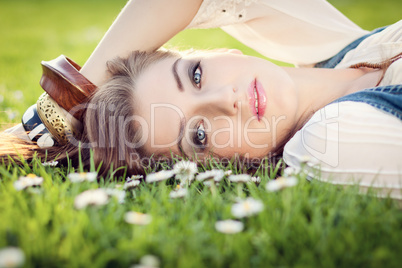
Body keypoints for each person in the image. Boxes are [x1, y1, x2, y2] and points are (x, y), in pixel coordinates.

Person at [2, 0, 401, 199]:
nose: (224, 101)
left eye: (195, 75)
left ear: (221, 53)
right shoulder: (335, 140)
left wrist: (67, 100)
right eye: (198, 134)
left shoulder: (337, 49)